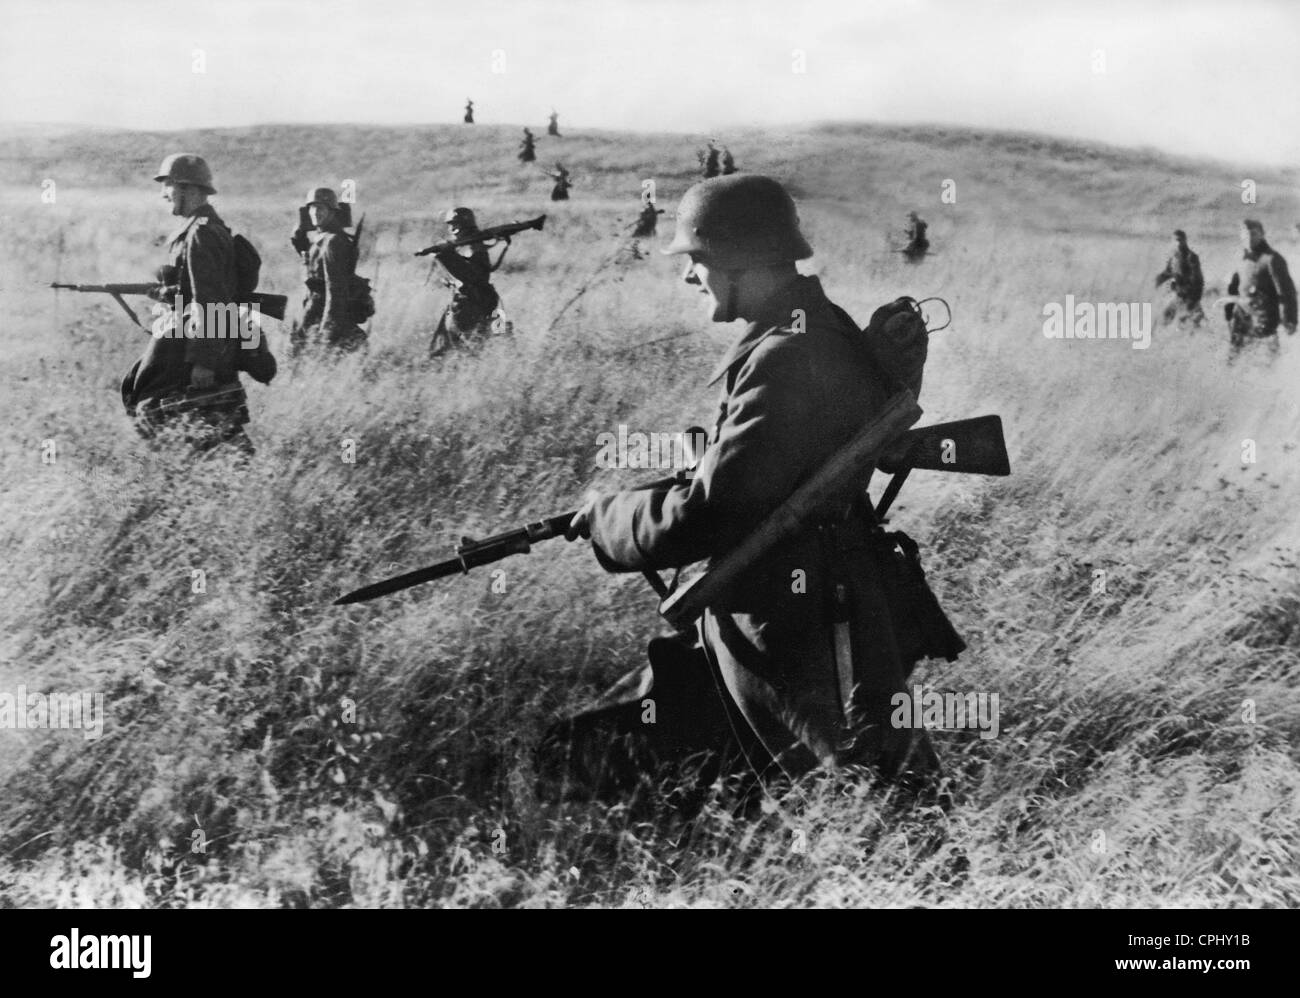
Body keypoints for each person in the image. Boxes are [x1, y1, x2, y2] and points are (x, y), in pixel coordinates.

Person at [562, 174, 944, 790]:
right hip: (807, 602)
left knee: (877, 802)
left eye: (697, 260)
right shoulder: (809, 329)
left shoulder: (787, 354)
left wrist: (609, 516)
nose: (689, 276)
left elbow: (709, 515)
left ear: (737, 261)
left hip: (798, 622)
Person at [120, 153, 257, 454]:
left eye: (167, 185)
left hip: (195, 344)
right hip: (196, 339)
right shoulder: (203, 229)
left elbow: (212, 300)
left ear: (187, 189)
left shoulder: (201, 234)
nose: (163, 193)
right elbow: (196, 290)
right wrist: (168, 293)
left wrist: (204, 361)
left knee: (153, 409)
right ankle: (210, 472)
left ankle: (185, 475)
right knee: (197, 413)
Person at [290, 187, 367, 355]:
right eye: (312, 207)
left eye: (321, 208)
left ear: (332, 212)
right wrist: (299, 241)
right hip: (312, 309)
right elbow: (314, 268)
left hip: (325, 311)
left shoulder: (333, 241)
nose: (315, 212)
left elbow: (336, 289)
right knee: (297, 356)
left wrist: (327, 330)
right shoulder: (321, 238)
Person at [428, 207, 505, 356]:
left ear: (464, 225)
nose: (451, 228)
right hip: (485, 298)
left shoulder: (473, 246)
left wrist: (445, 255)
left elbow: (470, 276)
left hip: (471, 302)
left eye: (454, 224)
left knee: (468, 344)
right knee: (489, 339)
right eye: (450, 225)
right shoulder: (470, 245)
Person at [1225, 219, 1296, 358]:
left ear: (1262, 234)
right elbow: (1234, 286)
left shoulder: (1272, 259)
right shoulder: (1240, 257)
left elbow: (1286, 291)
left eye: (1254, 233)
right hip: (1242, 316)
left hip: (1265, 318)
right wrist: (1228, 311)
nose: (1249, 238)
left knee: (1264, 363)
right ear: (1241, 236)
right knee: (1232, 360)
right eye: (1246, 234)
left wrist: (1290, 319)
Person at [1155, 229, 1205, 324]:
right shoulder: (1174, 257)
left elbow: (1198, 280)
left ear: (1185, 240)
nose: (1178, 243)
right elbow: (1167, 273)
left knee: (1190, 323)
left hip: (1191, 297)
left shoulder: (1191, 257)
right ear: (1172, 242)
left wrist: (1194, 299)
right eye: (1175, 240)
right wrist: (1156, 282)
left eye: (1180, 240)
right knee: (1166, 317)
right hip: (1179, 296)